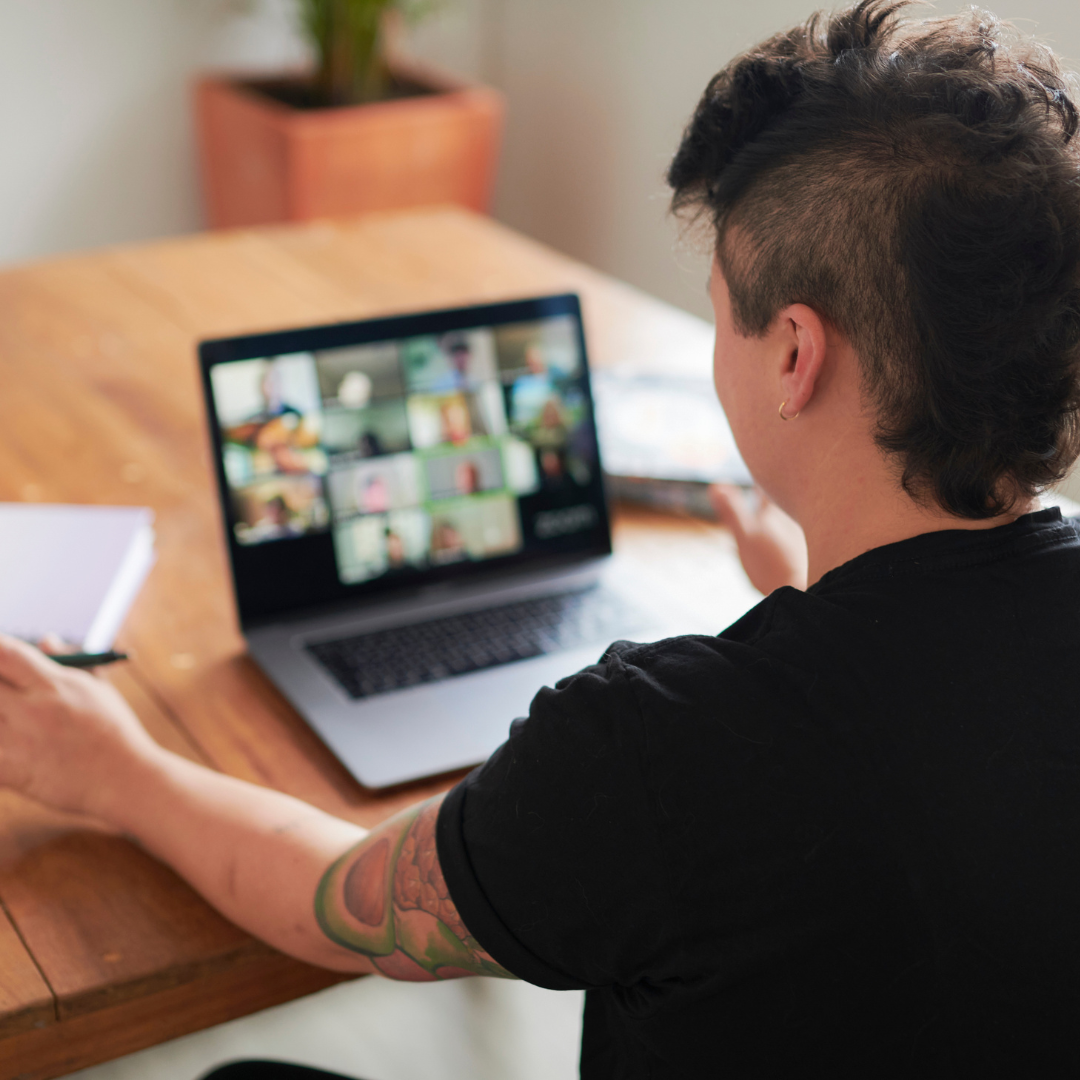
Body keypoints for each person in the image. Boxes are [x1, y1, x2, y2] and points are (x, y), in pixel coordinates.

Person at [3, 1, 1080, 1076]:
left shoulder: (662, 751)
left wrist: (118, 769)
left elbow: (336, 902)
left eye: (721, 313)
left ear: (796, 354)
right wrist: (817, 590)